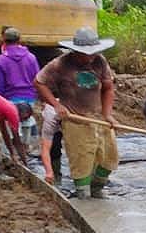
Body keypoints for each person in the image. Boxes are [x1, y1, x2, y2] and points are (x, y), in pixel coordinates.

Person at [34, 27, 119, 200]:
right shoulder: (60, 64)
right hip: (75, 120)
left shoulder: (100, 61)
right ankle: (83, 194)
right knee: (81, 160)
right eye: (86, 54)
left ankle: (97, 189)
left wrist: (107, 114)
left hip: (98, 117)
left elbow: (108, 88)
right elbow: (38, 82)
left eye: (93, 53)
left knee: (109, 157)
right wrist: (56, 105)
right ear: (76, 51)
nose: (90, 57)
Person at [0, 27, 41, 151]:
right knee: (27, 122)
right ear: (19, 40)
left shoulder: (0, 60)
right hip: (29, 98)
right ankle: (28, 149)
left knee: (12, 127)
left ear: (4, 40)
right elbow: (38, 78)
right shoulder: (31, 58)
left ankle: (13, 152)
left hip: (10, 99)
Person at [40, 103, 63, 185]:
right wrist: (49, 172)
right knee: (54, 149)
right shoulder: (51, 117)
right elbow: (45, 149)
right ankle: (56, 175)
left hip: (76, 121)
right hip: (55, 125)